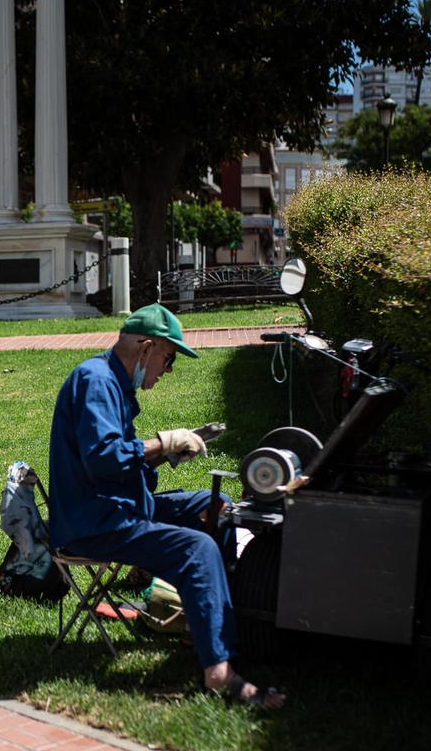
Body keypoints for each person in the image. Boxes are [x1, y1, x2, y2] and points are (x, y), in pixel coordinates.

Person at [47, 304, 286, 709]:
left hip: (118, 507)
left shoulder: (113, 384)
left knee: (217, 506)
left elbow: (119, 462)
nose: (168, 369)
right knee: (198, 548)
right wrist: (164, 443)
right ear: (146, 348)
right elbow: (103, 459)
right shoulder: (96, 380)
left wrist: (165, 452)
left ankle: (207, 628)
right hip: (95, 521)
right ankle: (219, 672)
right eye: (169, 358)